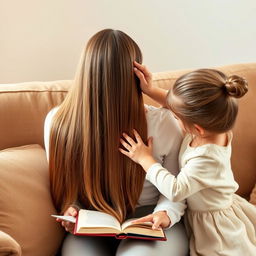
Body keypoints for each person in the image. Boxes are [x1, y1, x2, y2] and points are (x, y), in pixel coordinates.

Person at [44, 29, 189, 256]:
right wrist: (71, 210)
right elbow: (65, 186)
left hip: (150, 219)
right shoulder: (59, 122)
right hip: (93, 222)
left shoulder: (163, 122)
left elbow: (176, 189)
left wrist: (165, 214)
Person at [120, 63, 256, 255]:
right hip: (213, 209)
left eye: (176, 117)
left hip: (216, 226)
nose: (171, 115)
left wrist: (145, 159)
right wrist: (150, 90)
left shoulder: (207, 159)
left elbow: (176, 191)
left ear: (197, 128)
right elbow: (177, 104)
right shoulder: (217, 125)